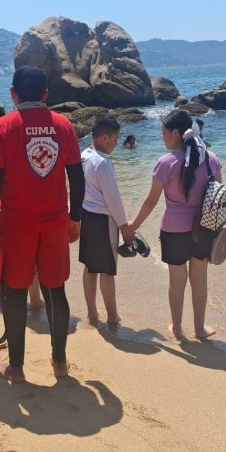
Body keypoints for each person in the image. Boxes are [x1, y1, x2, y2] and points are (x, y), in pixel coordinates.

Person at [0, 65, 85, 382]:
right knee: (55, 290)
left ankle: (17, 368)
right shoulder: (63, 126)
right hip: (55, 223)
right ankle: (60, 363)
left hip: (16, 224)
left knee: (14, 292)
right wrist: (75, 218)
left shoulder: (1, 127)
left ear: (13, 94)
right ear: (45, 95)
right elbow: (77, 178)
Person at [128, 109, 221, 341]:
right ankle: (200, 330)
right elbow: (218, 198)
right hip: (203, 229)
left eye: (164, 133)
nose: (162, 137)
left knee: (177, 282)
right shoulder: (211, 159)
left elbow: (151, 201)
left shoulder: (165, 163)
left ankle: (178, 330)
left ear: (176, 133)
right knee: (199, 281)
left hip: (173, 231)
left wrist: (133, 225)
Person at [80, 114, 134, 326]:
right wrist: (125, 227)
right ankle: (112, 316)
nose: (116, 143)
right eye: (115, 138)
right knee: (107, 271)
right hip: (103, 221)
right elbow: (113, 200)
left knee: (90, 267)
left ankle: (92, 313)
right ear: (104, 137)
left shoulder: (83, 155)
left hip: (87, 216)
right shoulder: (103, 163)